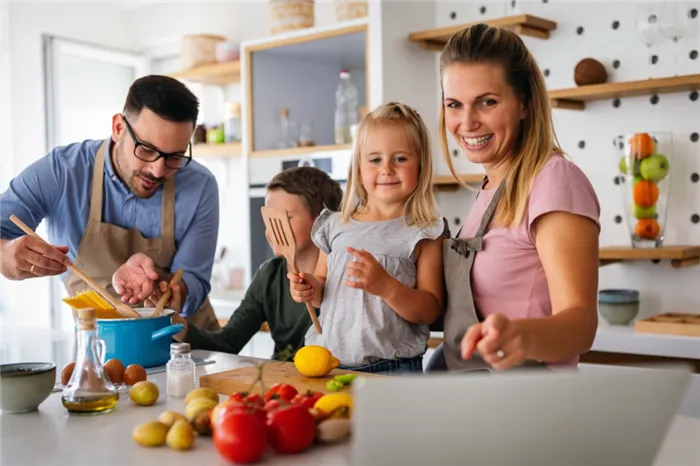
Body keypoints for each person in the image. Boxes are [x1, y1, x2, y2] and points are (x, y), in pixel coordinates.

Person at [427, 23, 601, 373]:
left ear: (524, 103)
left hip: (524, 406)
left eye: (487, 102)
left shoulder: (554, 181)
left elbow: (581, 325)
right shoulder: (491, 187)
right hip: (472, 405)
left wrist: (520, 335)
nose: (467, 122)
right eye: (454, 105)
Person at [0, 75, 221, 331]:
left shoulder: (200, 186)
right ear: (118, 128)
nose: (158, 170)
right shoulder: (62, 171)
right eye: (146, 150)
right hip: (100, 347)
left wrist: (161, 286)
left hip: (186, 348)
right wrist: (5, 255)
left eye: (175, 156)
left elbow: (193, 282)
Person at [289, 101, 447, 375]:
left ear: (421, 165)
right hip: (330, 367)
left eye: (400, 158)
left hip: (395, 370)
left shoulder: (424, 232)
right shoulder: (336, 224)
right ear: (359, 168)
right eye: (375, 160)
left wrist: (386, 287)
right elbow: (323, 291)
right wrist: (309, 288)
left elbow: (430, 309)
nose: (386, 169)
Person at [163, 166, 344, 360]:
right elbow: (227, 342)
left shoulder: (343, 273)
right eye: (270, 218)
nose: (273, 229)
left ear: (323, 222)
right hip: (284, 384)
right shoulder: (269, 276)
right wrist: (173, 321)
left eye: (286, 217)